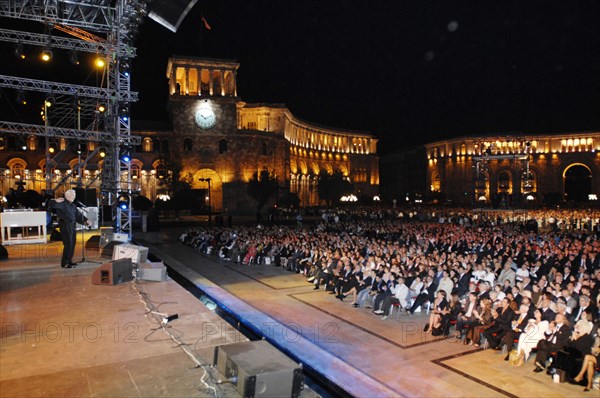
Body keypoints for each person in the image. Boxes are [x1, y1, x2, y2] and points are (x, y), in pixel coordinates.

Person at [48, 189, 90, 268]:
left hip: (72, 225)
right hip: (65, 225)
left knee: (72, 243)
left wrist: (85, 220)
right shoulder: (62, 204)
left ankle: (69, 261)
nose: (74, 197)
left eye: (74, 195)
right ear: (67, 196)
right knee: (68, 244)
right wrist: (54, 200)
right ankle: (65, 263)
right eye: (72, 195)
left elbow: (78, 215)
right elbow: (50, 204)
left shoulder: (73, 205)